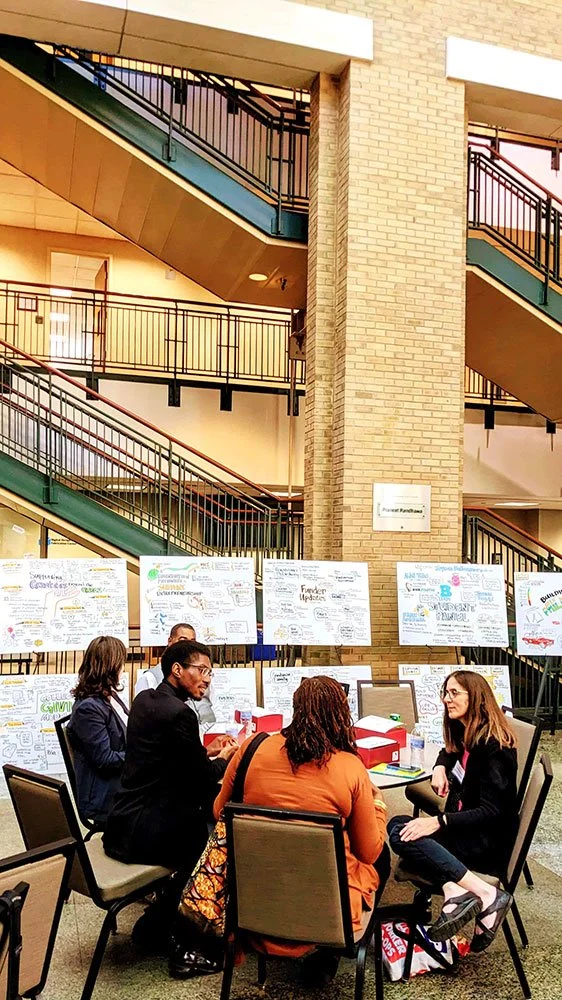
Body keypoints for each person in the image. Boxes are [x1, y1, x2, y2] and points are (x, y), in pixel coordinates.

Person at [213, 675, 389, 985]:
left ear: (295, 708)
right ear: (341, 716)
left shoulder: (253, 747)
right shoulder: (349, 767)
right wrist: (378, 808)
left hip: (253, 901)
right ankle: (332, 952)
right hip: (325, 912)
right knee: (383, 856)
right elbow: (368, 851)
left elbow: (219, 812)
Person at [388, 670, 518, 950]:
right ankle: (454, 889)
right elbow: (448, 751)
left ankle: (485, 893)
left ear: (477, 697)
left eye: (454, 693)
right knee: (399, 824)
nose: (447, 699)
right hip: (464, 830)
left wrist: (439, 822)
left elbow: (492, 812)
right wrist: (439, 767)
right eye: (445, 693)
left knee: (401, 834)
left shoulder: (495, 747)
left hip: (484, 842)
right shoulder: (467, 730)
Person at [67, 635, 128, 828]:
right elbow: (105, 759)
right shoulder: (89, 709)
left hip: (120, 782)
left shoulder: (109, 697)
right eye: (121, 663)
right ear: (110, 666)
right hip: (105, 795)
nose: (123, 669)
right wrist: (142, 755)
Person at [134, 622, 215, 730]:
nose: (188, 646)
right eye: (182, 640)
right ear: (170, 641)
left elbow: (212, 706)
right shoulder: (150, 678)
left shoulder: (202, 676)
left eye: (192, 642)